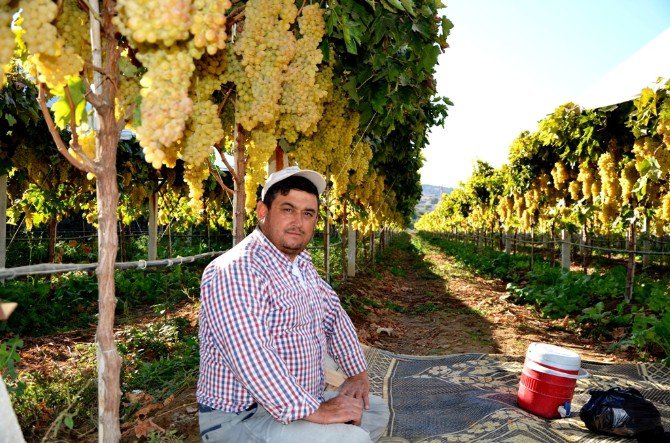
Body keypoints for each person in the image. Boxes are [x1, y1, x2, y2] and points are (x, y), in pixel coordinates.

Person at [196, 166, 390, 442]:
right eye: (288, 209)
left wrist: (358, 373)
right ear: (263, 212)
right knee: (352, 438)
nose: (298, 222)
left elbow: (333, 316)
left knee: (373, 410)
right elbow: (251, 356)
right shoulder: (236, 269)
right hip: (244, 417)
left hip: (299, 401)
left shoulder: (299, 265)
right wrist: (319, 412)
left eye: (308, 214)